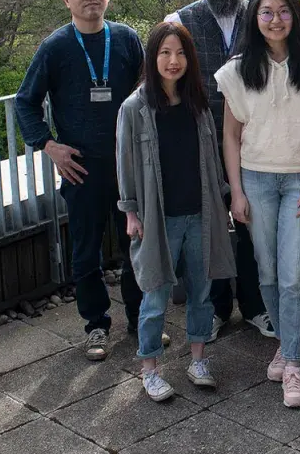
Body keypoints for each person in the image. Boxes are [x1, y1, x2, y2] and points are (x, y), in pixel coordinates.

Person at [216, 0, 300, 409]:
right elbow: (230, 136)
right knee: (267, 271)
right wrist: (236, 191)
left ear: (295, 15)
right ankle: (286, 345)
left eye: (283, 10)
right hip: (256, 181)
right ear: (255, 18)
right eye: (266, 12)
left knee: (294, 275)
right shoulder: (236, 70)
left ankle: (293, 364)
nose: (275, 19)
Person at [15, 0, 146, 361]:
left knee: (136, 246)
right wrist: (48, 146)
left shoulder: (126, 39)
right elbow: (26, 103)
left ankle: (143, 322)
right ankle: (96, 326)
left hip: (128, 167)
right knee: (85, 252)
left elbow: (146, 89)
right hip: (81, 168)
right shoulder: (55, 47)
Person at [116, 23, 237, 400]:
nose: (173, 61)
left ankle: (198, 359)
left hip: (199, 214)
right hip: (158, 219)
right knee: (154, 297)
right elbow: (126, 164)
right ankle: (149, 368)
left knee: (202, 293)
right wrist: (131, 212)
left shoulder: (196, 103)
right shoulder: (135, 107)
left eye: (181, 53)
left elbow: (212, 160)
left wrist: (223, 199)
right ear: (153, 58)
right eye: (165, 53)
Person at [166, 0, 272, 340]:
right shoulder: (180, 21)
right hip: (199, 144)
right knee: (208, 230)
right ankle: (214, 308)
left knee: (251, 227)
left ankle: (256, 307)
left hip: (256, 141)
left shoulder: (263, 14)